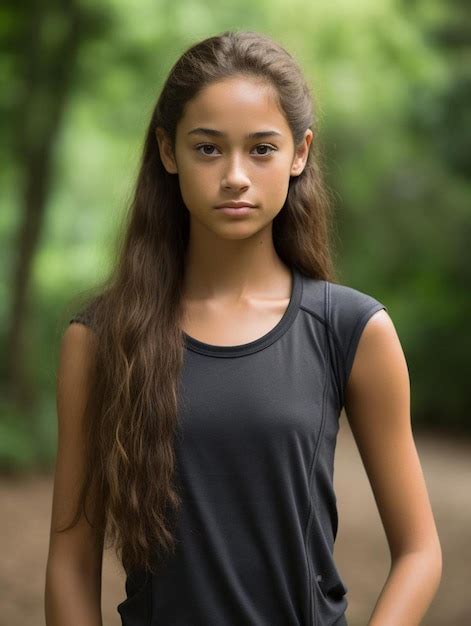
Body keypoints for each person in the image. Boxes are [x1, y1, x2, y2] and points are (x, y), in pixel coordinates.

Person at [45, 30, 442, 626]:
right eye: (208, 149)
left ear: (300, 153)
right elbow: (71, 562)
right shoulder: (101, 340)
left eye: (261, 149)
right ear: (168, 151)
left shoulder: (351, 330)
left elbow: (419, 551)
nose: (235, 175)